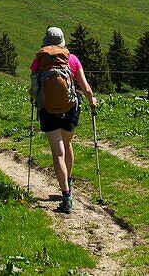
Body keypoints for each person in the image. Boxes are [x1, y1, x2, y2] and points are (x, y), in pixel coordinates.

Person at [30, 26, 97, 214]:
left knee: (57, 153)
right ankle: (68, 181)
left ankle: (66, 195)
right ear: (62, 42)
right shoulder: (72, 59)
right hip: (70, 109)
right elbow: (84, 86)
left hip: (48, 110)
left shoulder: (39, 60)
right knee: (67, 146)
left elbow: (34, 89)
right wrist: (92, 101)